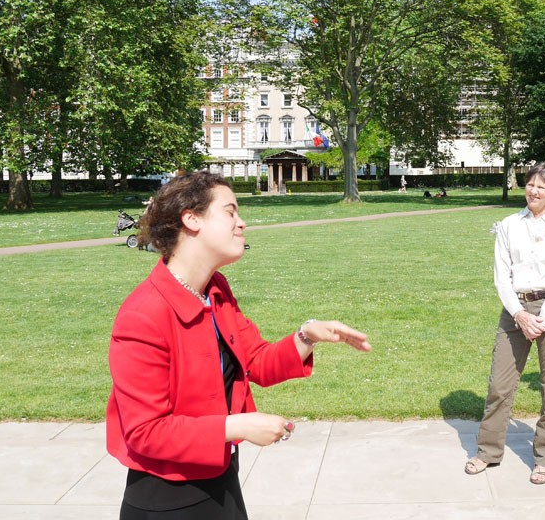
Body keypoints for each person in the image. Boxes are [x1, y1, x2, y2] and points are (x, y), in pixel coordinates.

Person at [106, 171, 371, 520]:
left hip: (222, 477)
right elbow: (145, 432)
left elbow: (256, 361)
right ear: (191, 219)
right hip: (168, 499)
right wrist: (237, 426)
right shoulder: (143, 315)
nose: (242, 223)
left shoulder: (215, 289)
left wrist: (307, 335)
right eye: (230, 212)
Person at [464, 162, 545, 485]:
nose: (533, 191)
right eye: (530, 184)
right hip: (516, 310)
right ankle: (488, 451)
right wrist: (519, 314)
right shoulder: (509, 225)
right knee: (499, 386)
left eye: (541, 187)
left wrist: (543, 318)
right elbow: (502, 275)